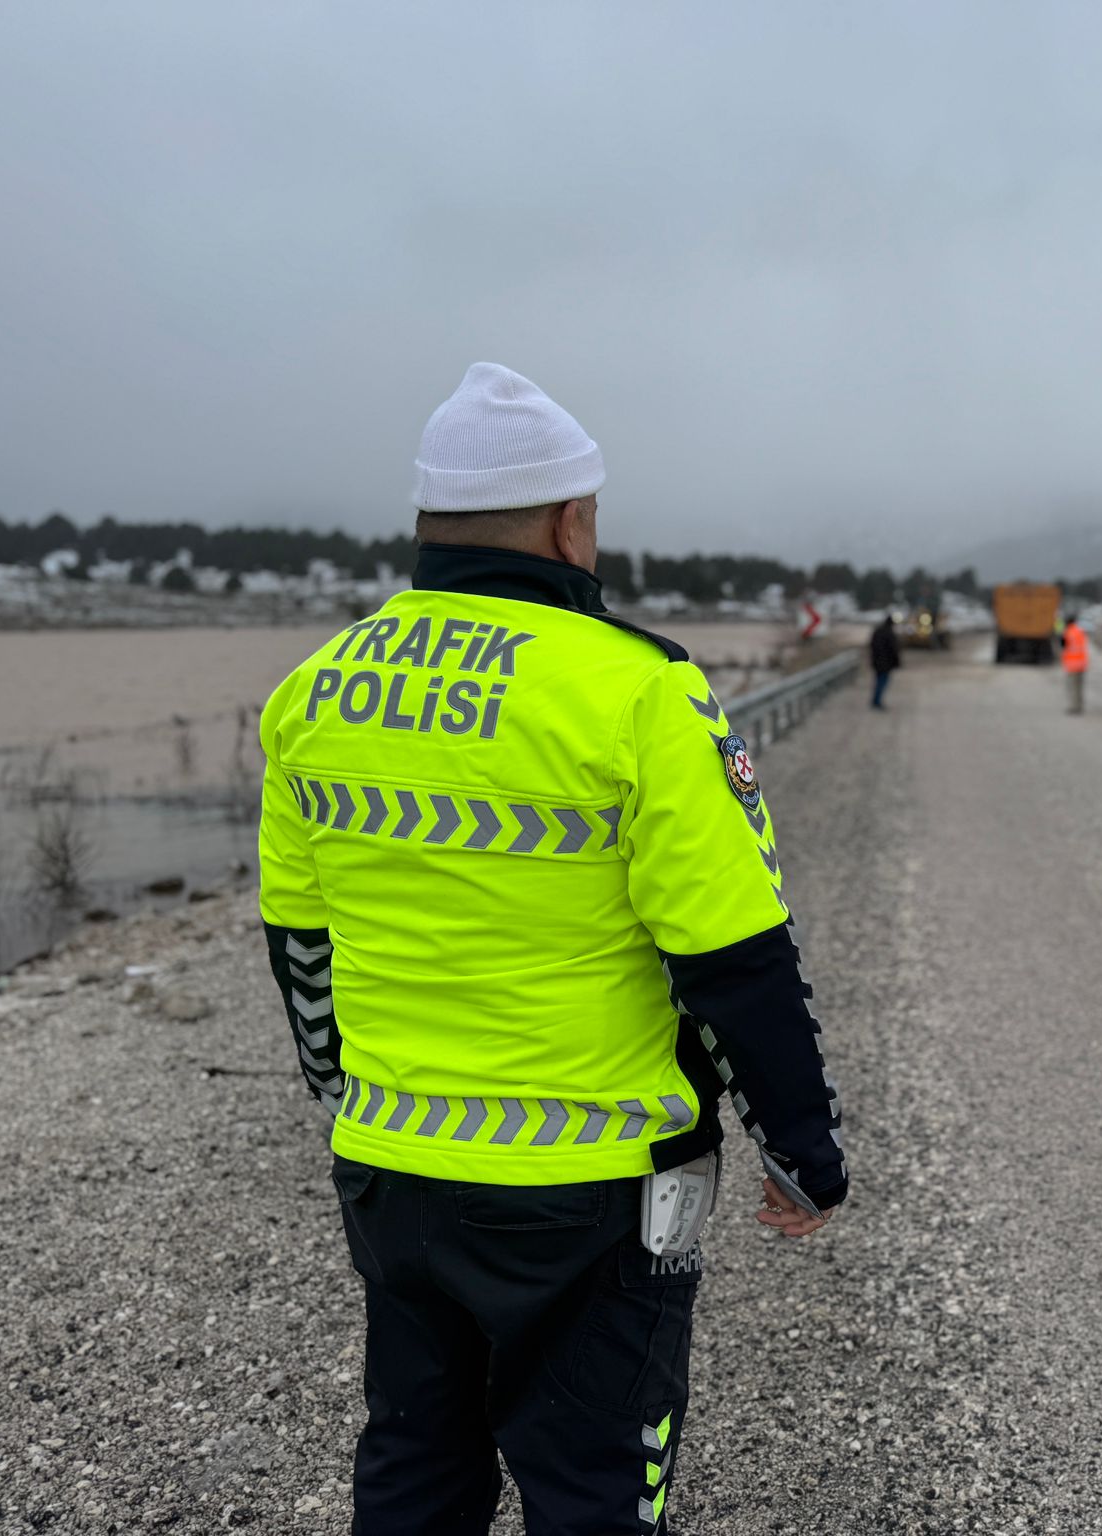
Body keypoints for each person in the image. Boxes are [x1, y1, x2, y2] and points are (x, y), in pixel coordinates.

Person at [257, 362, 848, 1536]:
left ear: (429, 522)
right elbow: (732, 958)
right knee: (593, 1493)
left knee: (413, 1471)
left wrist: (346, 1098)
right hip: (592, 1189)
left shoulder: (314, 691)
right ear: (572, 523)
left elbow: (301, 952)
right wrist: (800, 1146)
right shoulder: (639, 692)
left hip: (392, 1171)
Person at [869, 612, 901, 708]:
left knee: (879, 681)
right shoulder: (889, 634)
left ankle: (875, 700)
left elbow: (872, 646)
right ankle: (877, 701)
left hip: (877, 662)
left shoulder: (878, 631)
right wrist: (897, 662)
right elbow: (894, 649)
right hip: (886, 663)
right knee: (882, 682)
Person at [1061, 613, 1089, 714]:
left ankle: (1074, 707)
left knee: (1072, 687)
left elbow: (1063, 645)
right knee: (1079, 687)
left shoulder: (1068, 632)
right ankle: (1079, 706)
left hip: (1072, 664)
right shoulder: (1080, 631)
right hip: (1081, 663)